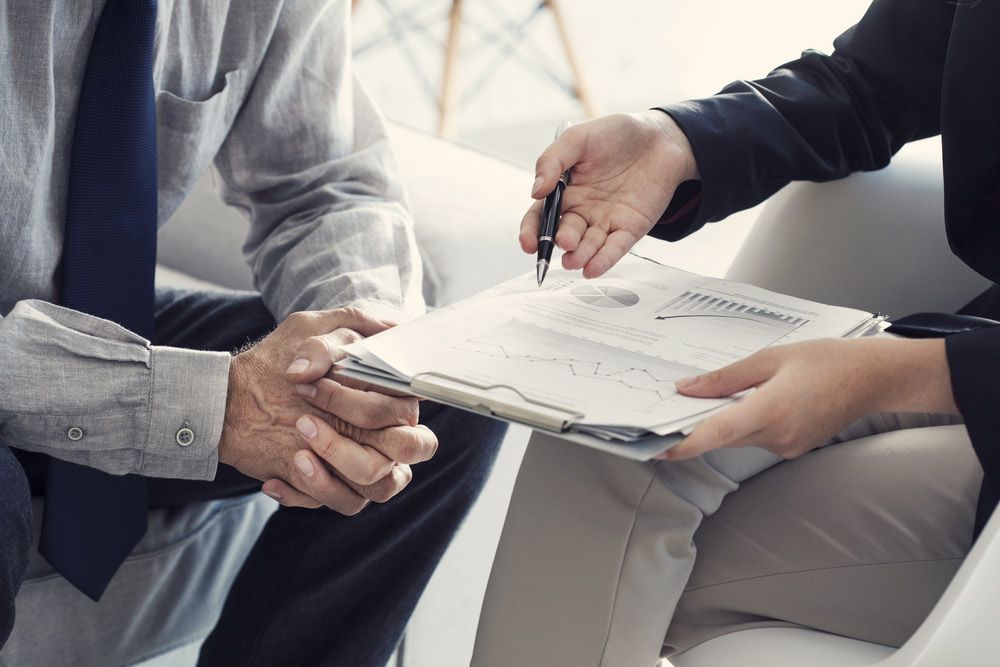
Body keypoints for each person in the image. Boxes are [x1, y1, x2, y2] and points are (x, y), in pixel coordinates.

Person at [472, 0, 998, 664]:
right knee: (613, 440)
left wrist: (885, 375)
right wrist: (676, 140)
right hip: (966, 343)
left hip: (970, 388)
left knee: (646, 568)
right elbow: (876, 80)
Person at [0, 1, 506, 664]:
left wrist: (351, 353)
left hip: (83, 317)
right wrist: (210, 405)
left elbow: (322, 183)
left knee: (429, 389)